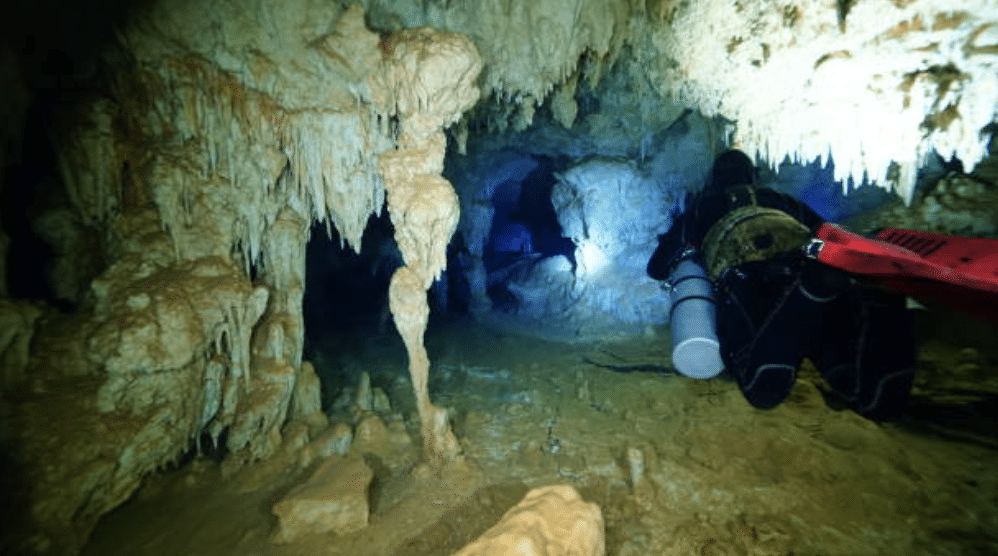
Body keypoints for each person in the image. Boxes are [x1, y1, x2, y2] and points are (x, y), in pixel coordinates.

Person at [647, 150, 916, 420]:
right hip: (798, 258)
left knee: (760, 386)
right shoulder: (780, 199)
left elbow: (656, 268)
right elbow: (827, 233)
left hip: (744, 269)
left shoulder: (703, 207)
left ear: (715, 179)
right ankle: (881, 300)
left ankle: (814, 287)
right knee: (841, 369)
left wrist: (689, 251)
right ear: (753, 176)